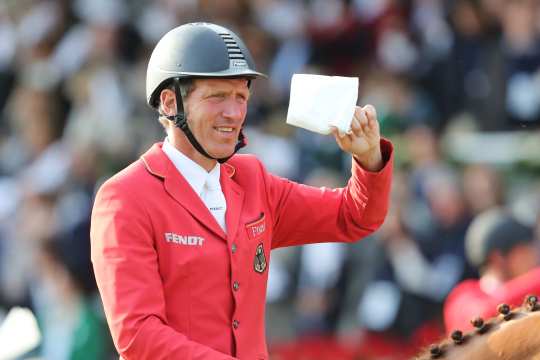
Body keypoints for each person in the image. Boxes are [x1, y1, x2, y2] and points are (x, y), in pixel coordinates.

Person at [90, 22, 393, 360]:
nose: (234, 113)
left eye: (240, 97)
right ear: (170, 101)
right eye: (217, 97)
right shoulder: (124, 198)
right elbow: (139, 336)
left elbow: (354, 216)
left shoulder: (253, 179)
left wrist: (369, 159)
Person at [443, 207, 540, 334]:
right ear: (498, 258)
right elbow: (484, 313)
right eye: (525, 251)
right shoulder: (461, 297)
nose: (535, 257)